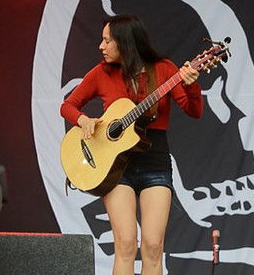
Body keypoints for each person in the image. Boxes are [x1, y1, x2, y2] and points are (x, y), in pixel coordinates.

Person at [60, 14, 204, 275]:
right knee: (125, 244)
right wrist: (83, 120)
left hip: (155, 162)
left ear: (125, 42)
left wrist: (192, 86)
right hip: (116, 169)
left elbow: (194, 111)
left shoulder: (164, 69)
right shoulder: (101, 73)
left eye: (107, 41)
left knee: (153, 247)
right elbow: (67, 105)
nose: (101, 46)